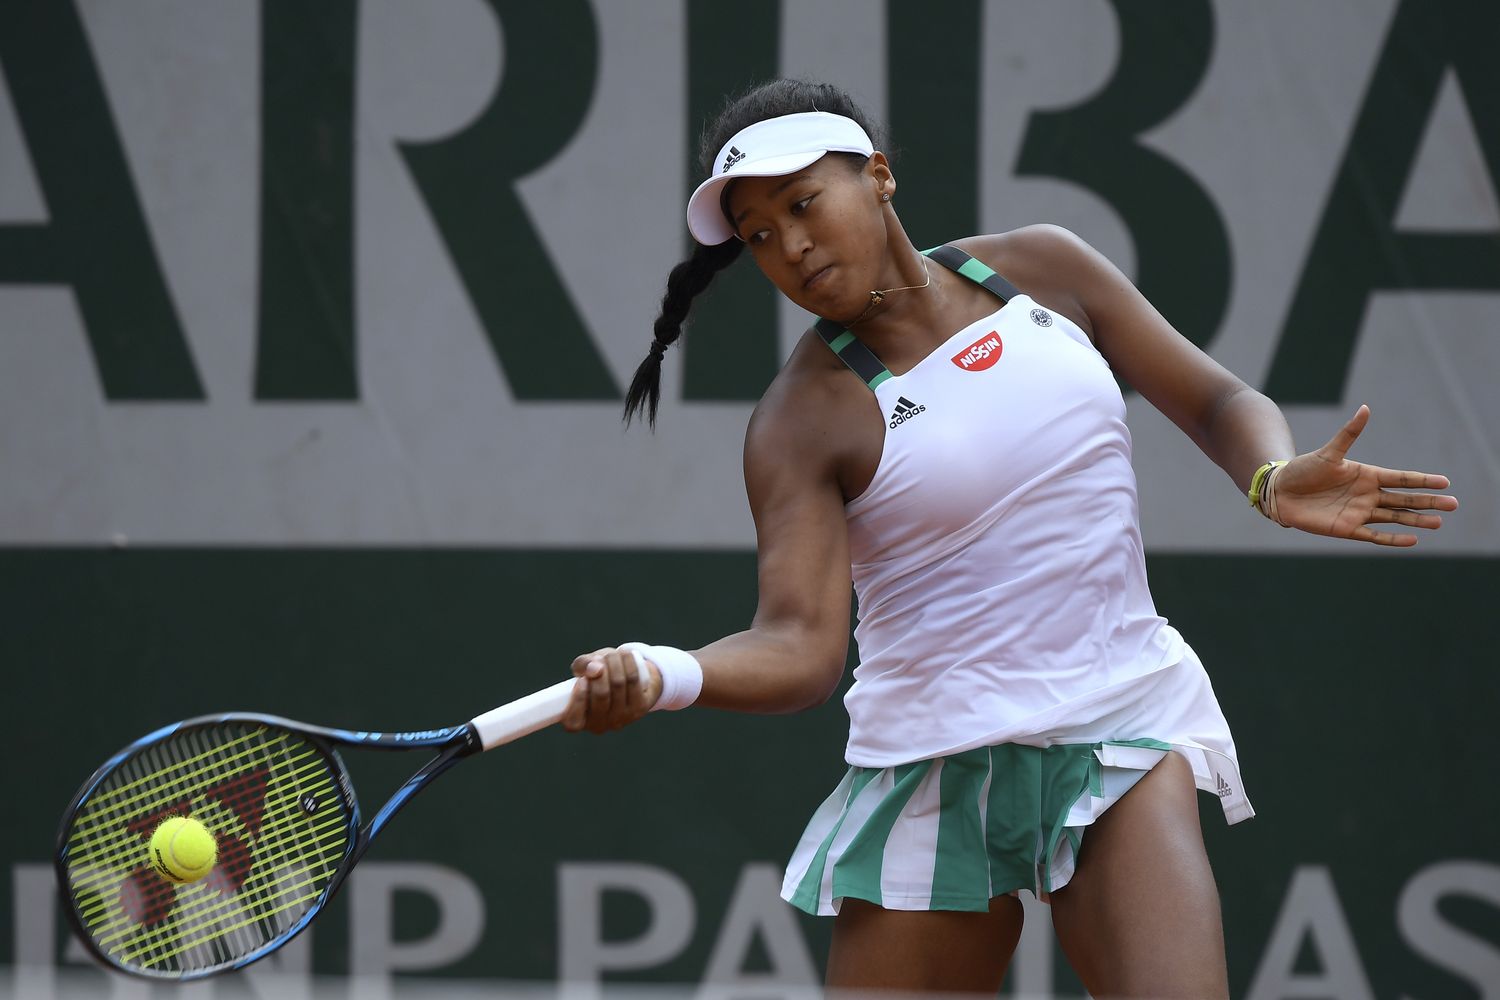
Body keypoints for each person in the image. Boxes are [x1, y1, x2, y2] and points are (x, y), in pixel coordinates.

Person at [559, 79, 1458, 997]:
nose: (789, 247)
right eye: (757, 235)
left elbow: (1218, 400)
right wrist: (663, 673)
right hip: (932, 762)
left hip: (1118, 724)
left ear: (878, 176)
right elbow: (799, 646)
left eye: (802, 204)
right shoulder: (801, 420)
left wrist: (1270, 474)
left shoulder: (1046, 270)